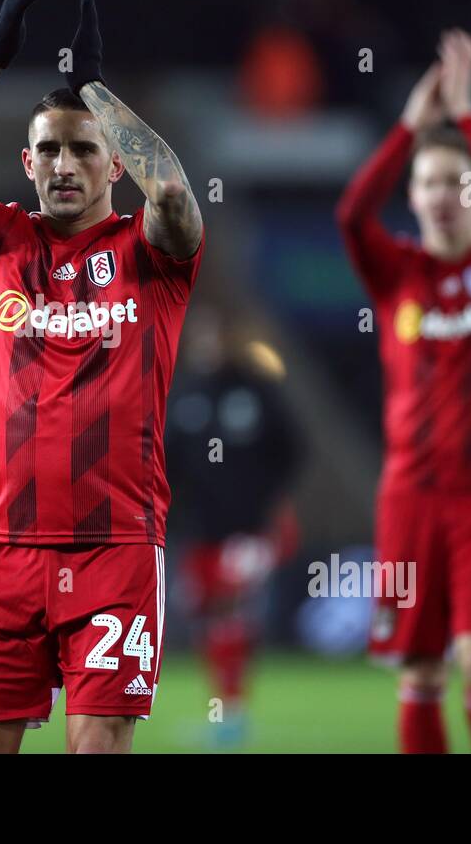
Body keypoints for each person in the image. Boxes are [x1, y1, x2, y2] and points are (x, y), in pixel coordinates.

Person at [0, 0, 204, 753]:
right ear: (28, 164)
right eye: (49, 151)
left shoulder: (150, 252)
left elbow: (171, 193)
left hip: (116, 550)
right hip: (2, 550)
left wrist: (96, 89)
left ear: (112, 163)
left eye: (83, 149)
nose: (66, 164)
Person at [336, 29, 471, 753]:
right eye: (427, 182)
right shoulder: (397, 272)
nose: (441, 196)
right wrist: (407, 128)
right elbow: (350, 213)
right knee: (419, 669)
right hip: (410, 494)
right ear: (415, 195)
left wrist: (468, 114)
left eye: (456, 182)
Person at [167, 306, 304, 746]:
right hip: (200, 529)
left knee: (229, 613)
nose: (207, 347)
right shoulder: (186, 395)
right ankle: (224, 710)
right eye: (200, 339)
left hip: (246, 528)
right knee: (209, 619)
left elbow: (292, 447)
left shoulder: (257, 391)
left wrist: (269, 499)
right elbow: (166, 460)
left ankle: (232, 716)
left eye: (214, 338)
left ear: (229, 341)